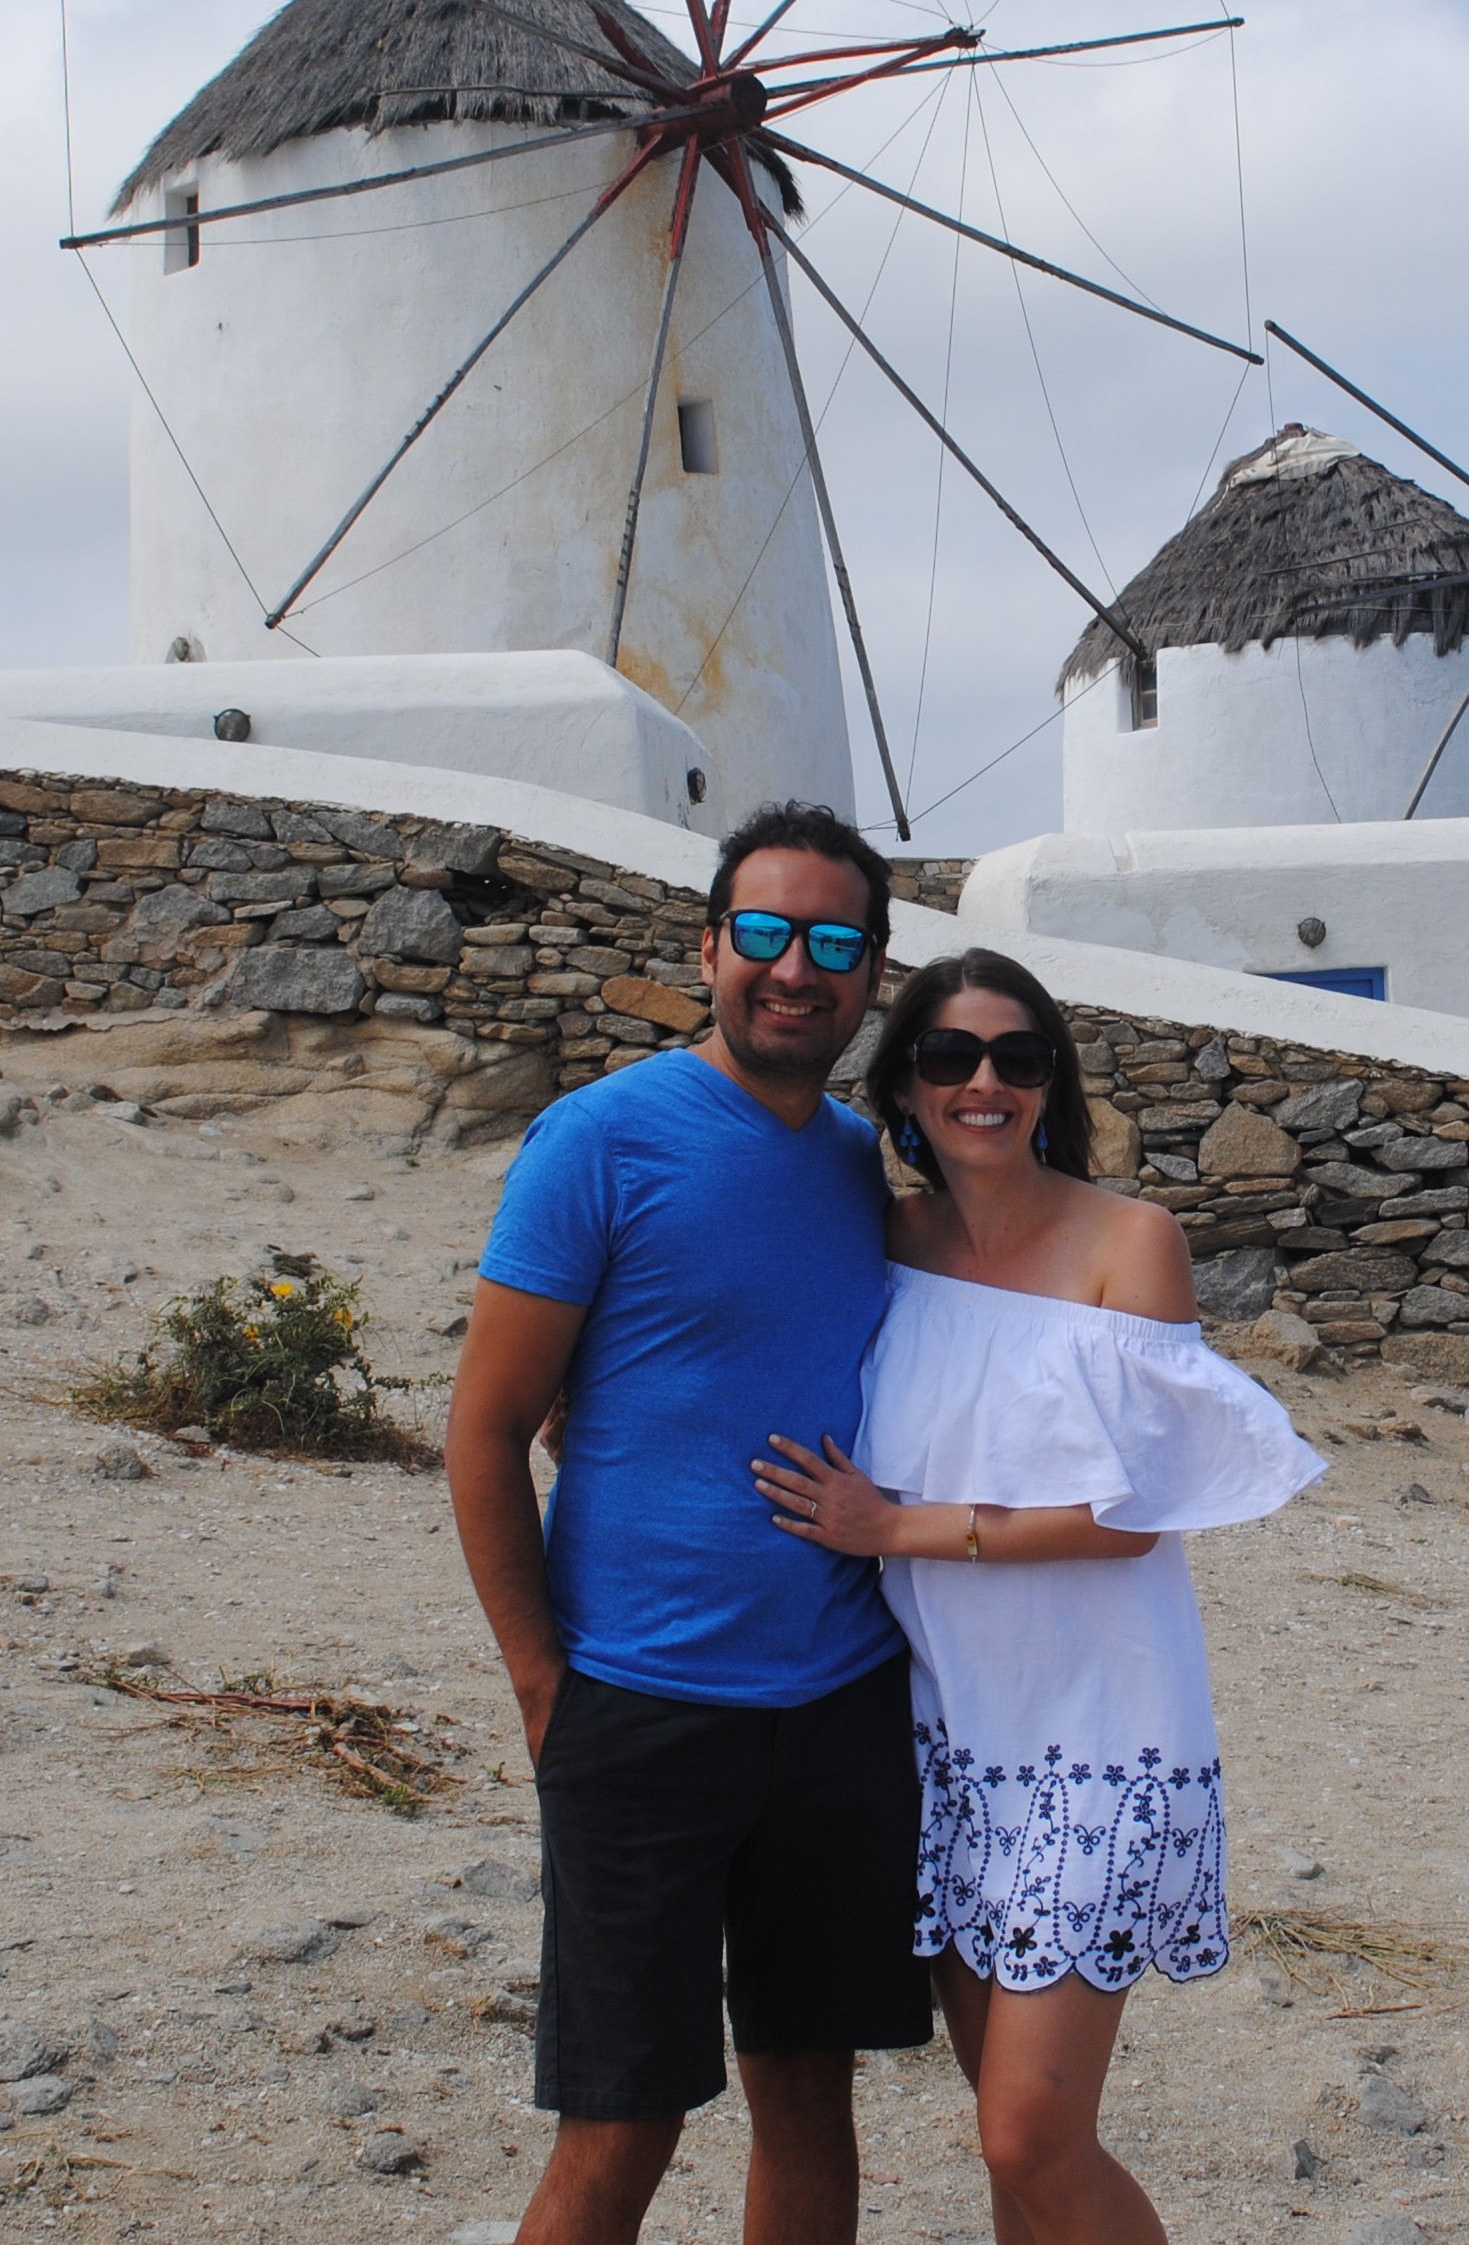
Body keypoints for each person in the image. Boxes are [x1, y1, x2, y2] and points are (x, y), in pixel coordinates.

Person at [753, 947, 1325, 2245]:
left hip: (1102, 1746)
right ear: (904, 1081)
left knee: (1028, 2133)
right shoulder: (885, 1242)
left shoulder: (1132, 1245)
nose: (984, 1084)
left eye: (1018, 1057)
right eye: (950, 1057)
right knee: (1011, 2144)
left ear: (1050, 1081)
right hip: (947, 1741)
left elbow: (1130, 1518)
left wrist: (896, 1526)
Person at [444, 802, 933, 2245]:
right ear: (709, 947)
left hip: (841, 1706)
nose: (797, 969)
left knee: (808, 2094)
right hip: (638, 1709)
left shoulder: (862, 1166)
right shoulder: (599, 1140)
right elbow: (481, 1432)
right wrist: (543, 1685)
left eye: (834, 942)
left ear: (869, 973)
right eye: (766, 934)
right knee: (622, 2122)